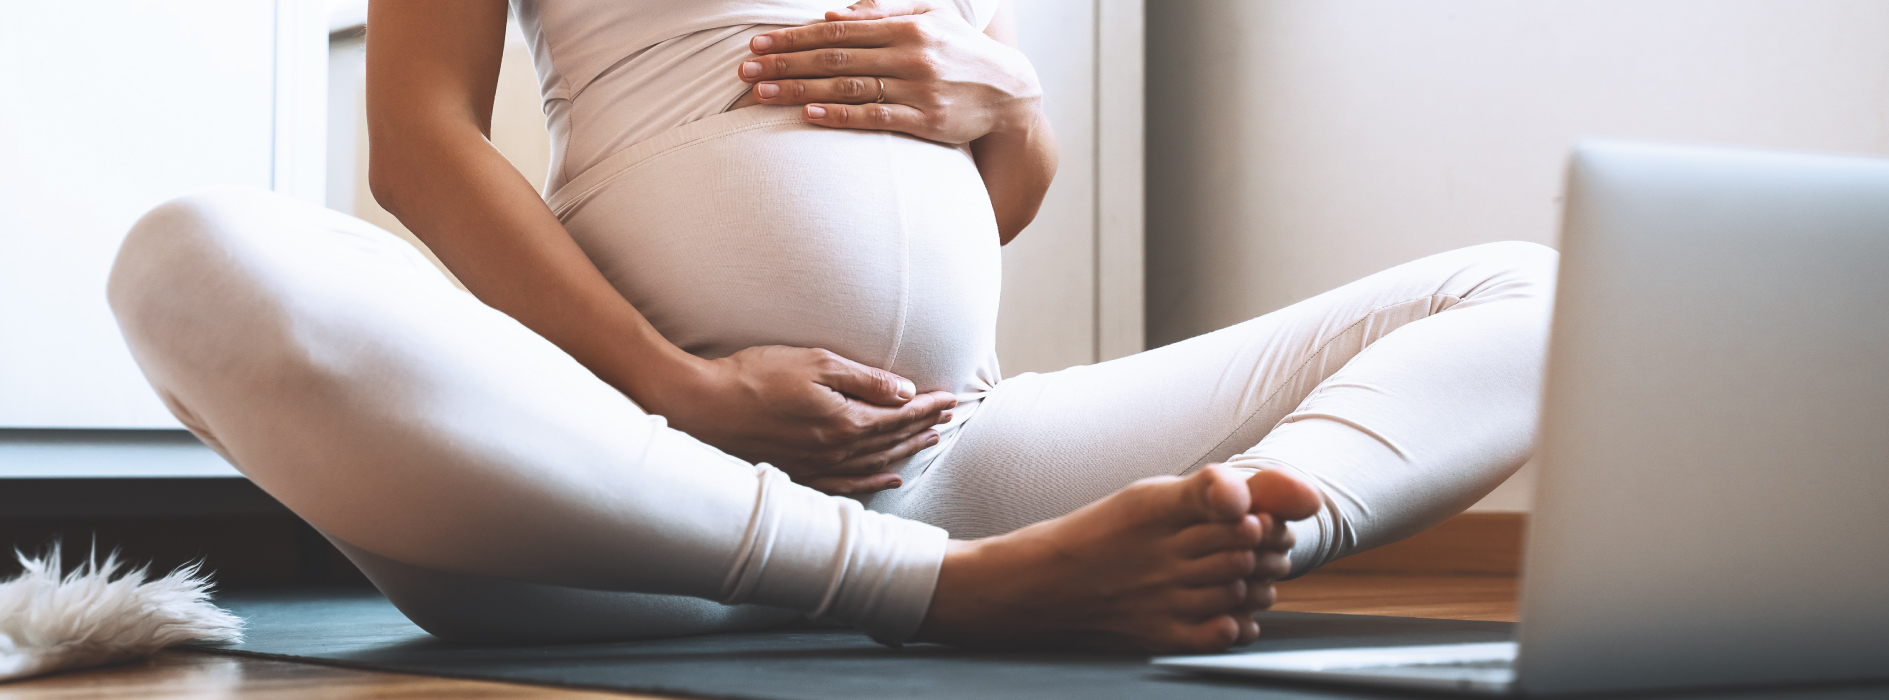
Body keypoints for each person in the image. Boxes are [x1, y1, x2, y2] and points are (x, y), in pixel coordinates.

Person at [107, 0, 1555, 653]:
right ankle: (929, 597)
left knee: (1534, 290)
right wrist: (676, 384)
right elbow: (418, 140)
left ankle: (1219, 544)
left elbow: (977, 205)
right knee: (188, 257)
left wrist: (1018, 107)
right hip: (615, 491)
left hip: (965, 467)